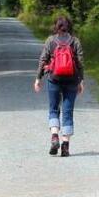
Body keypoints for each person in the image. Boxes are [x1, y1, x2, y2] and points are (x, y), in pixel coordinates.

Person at [33, 15, 84, 157]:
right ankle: (65, 146)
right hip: (72, 80)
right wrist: (81, 80)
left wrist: (38, 78)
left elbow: (43, 60)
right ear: (69, 26)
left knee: (54, 109)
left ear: (56, 26)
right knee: (68, 112)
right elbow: (80, 63)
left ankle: (54, 136)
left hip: (54, 79)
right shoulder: (75, 41)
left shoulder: (51, 41)